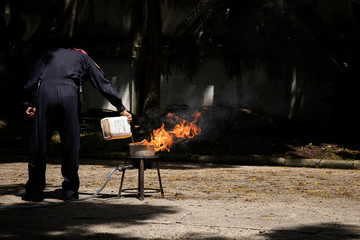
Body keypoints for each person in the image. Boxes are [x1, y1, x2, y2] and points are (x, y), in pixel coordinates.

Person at [22, 47, 132, 201]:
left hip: (46, 93)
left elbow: (32, 80)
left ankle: (34, 190)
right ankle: (70, 190)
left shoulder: (49, 53)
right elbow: (102, 83)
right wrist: (121, 108)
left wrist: (29, 103)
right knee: (71, 143)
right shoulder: (84, 58)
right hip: (69, 94)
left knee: (39, 142)